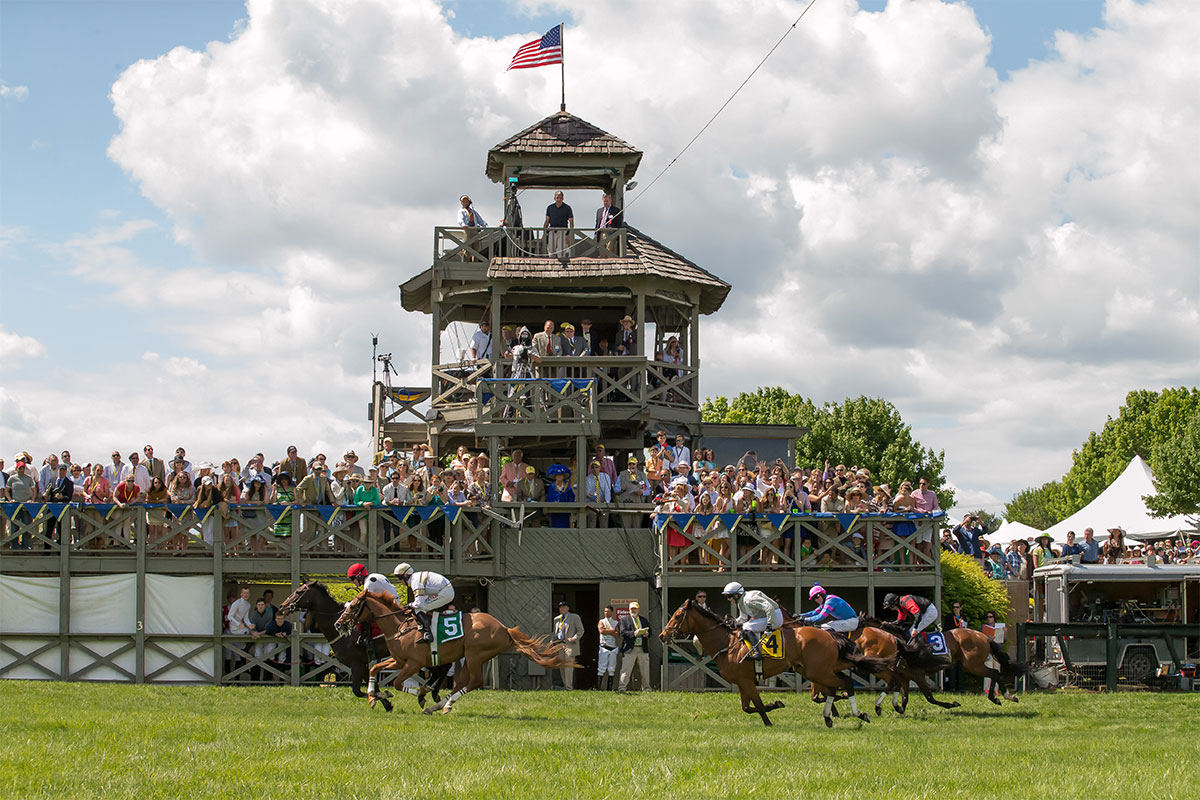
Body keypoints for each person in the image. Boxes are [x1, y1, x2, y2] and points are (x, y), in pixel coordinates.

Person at [393, 562, 454, 642]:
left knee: (419, 609)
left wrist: (409, 605)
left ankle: (428, 633)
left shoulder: (415, 582)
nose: (400, 581)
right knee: (422, 607)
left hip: (445, 592)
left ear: (405, 575)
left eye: (399, 578)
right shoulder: (415, 577)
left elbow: (419, 604)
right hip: (443, 590)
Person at [722, 581, 783, 661]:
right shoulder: (741, 603)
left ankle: (757, 653)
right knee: (746, 625)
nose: (728, 599)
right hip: (766, 617)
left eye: (729, 596)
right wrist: (734, 622)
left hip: (775, 617)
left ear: (736, 595)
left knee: (747, 627)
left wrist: (770, 624)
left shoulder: (749, 600)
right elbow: (743, 618)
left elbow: (769, 607)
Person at [618, 601, 652, 691]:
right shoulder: (624, 620)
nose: (633, 610)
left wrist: (647, 634)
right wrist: (634, 633)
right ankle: (622, 688)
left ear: (638, 609)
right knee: (626, 670)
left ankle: (646, 688)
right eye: (632, 609)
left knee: (645, 671)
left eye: (635, 609)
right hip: (630, 649)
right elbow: (622, 632)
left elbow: (651, 632)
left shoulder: (644, 620)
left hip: (642, 648)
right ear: (629, 610)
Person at [552, 601, 584, 690]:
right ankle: (565, 685)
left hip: (570, 645)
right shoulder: (556, 619)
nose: (561, 609)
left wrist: (574, 638)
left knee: (568, 667)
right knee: (562, 667)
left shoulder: (574, 617)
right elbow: (554, 632)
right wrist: (552, 642)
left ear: (567, 608)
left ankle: (569, 688)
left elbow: (580, 630)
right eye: (560, 607)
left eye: (563, 607)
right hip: (559, 644)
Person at [596, 605, 620, 690]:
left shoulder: (615, 622)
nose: (606, 613)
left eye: (608, 611)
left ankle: (609, 688)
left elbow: (617, 634)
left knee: (611, 668)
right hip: (604, 647)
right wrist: (612, 631)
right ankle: (598, 688)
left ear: (612, 612)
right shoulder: (601, 621)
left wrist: (608, 631)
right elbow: (601, 631)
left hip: (613, 647)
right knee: (601, 668)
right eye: (605, 611)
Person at [543, 190, 573, 256]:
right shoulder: (550, 207)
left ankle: (561, 264)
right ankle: (551, 264)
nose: (559, 199)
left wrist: (569, 235)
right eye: (557, 197)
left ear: (563, 198)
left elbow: (571, 222)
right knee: (551, 249)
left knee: (561, 250)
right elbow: (547, 221)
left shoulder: (567, 208)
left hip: (563, 231)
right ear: (554, 198)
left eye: (560, 198)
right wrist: (544, 233)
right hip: (552, 230)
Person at [545, 464, 574, 528]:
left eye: (561, 475)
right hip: (555, 512)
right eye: (558, 475)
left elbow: (572, 496)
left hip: (565, 512)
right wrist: (553, 504)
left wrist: (569, 505)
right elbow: (549, 497)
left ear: (563, 476)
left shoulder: (567, 486)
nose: (559, 477)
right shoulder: (551, 486)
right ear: (555, 476)